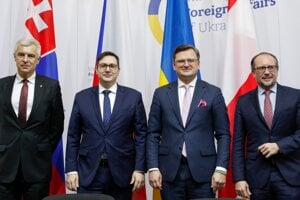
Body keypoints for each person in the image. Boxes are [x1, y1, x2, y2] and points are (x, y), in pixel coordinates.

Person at [146, 44, 230, 199]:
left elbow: (223, 134)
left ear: (198, 63)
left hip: (204, 173)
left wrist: (220, 169)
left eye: (191, 60)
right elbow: (152, 134)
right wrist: (153, 167)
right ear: (173, 65)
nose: (186, 64)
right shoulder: (161, 94)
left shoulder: (213, 93)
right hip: (169, 172)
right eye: (181, 61)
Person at [65, 51, 147, 200]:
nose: (107, 69)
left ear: (118, 70)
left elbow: (142, 136)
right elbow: (73, 136)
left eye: (112, 66)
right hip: (89, 172)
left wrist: (139, 169)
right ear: (96, 70)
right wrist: (71, 170)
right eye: (103, 66)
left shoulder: (133, 97)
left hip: (122, 172)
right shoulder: (82, 97)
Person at [0, 38, 64, 200]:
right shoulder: (2, 85)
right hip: (4, 165)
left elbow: (56, 125)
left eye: (30, 55)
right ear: (15, 57)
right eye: (21, 55)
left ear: (38, 59)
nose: (25, 59)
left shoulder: (51, 86)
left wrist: (42, 147)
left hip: (37, 166)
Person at [232, 52, 300, 199]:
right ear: (253, 73)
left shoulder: (295, 96)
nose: (267, 72)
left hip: (290, 176)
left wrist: (280, 146)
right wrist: (239, 178)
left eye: (271, 67)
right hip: (256, 179)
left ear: (277, 70)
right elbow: (237, 142)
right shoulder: (243, 102)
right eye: (261, 68)